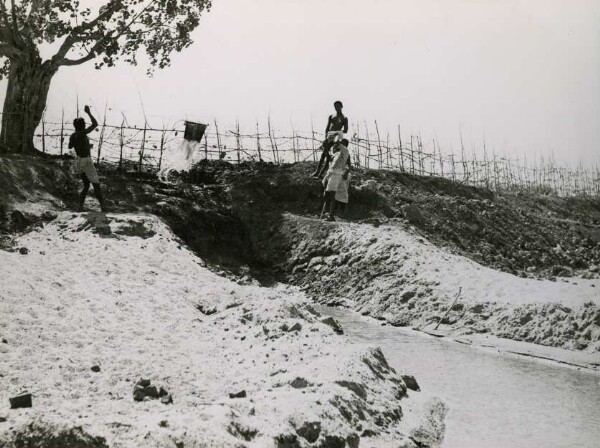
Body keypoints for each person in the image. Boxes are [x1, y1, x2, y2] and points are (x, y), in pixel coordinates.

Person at [69, 105, 107, 212]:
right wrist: (89, 113)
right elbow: (95, 124)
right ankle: (103, 206)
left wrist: (82, 145)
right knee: (96, 185)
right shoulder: (82, 133)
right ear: (81, 126)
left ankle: (80, 206)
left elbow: (70, 146)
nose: (86, 126)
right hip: (86, 161)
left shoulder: (73, 135)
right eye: (84, 124)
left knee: (86, 185)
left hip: (79, 161)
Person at [312, 100, 348, 178]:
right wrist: (326, 137)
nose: (336, 108)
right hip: (330, 136)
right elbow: (327, 128)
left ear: (341, 107)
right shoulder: (331, 116)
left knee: (332, 155)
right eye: (335, 107)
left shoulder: (344, 118)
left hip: (337, 137)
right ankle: (318, 171)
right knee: (324, 153)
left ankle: (321, 173)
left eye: (338, 106)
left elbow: (345, 130)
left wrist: (337, 133)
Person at [320, 138, 351, 221]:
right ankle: (328, 213)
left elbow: (337, 143)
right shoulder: (336, 154)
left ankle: (331, 216)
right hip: (331, 174)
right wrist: (325, 148)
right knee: (326, 194)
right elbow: (329, 160)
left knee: (332, 195)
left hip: (336, 174)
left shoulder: (345, 152)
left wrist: (332, 140)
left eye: (341, 143)